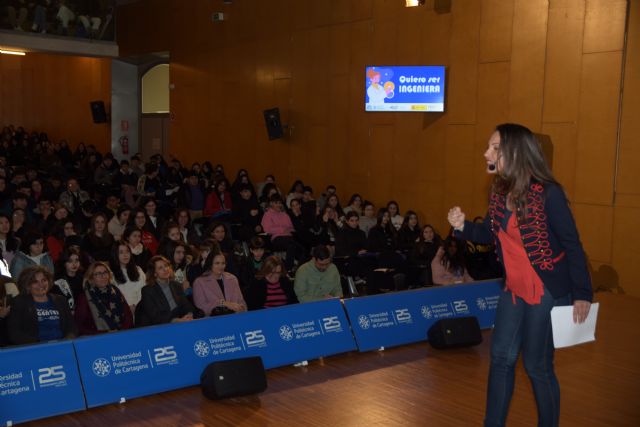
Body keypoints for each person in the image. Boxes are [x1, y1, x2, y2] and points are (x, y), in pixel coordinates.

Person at [446, 123, 592, 427]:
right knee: (500, 359)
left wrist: (582, 294)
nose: (486, 153)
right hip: (513, 289)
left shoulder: (548, 193)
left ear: (515, 151)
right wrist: (462, 227)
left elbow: (572, 245)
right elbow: (489, 232)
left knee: (538, 366)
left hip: (547, 291)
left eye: (494, 147)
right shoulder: (499, 191)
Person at [7, 265, 76, 345]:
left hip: (62, 345)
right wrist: (39, 344)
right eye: (35, 282)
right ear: (27, 285)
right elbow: (14, 333)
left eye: (44, 280)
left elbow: (72, 327)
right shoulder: (19, 303)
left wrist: (68, 340)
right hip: (35, 348)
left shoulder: (61, 300)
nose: (41, 284)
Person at [74, 262, 133, 336]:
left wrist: (120, 331)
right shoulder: (84, 298)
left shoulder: (115, 291)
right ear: (91, 278)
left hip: (121, 335)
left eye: (105, 272)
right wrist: (105, 334)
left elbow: (128, 316)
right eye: (98, 274)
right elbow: (79, 327)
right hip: (97, 339)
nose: (103, 276)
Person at [135, 256, 196, 326]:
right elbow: (156, 317)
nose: (165, 269)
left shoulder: (176, 285)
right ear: (154, 273)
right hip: (158, 328)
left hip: (179, 323)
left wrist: (189, 314)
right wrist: (176, 320)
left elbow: (186, 305)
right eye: (160, 268)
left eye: (166, 266)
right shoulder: (147, 291)